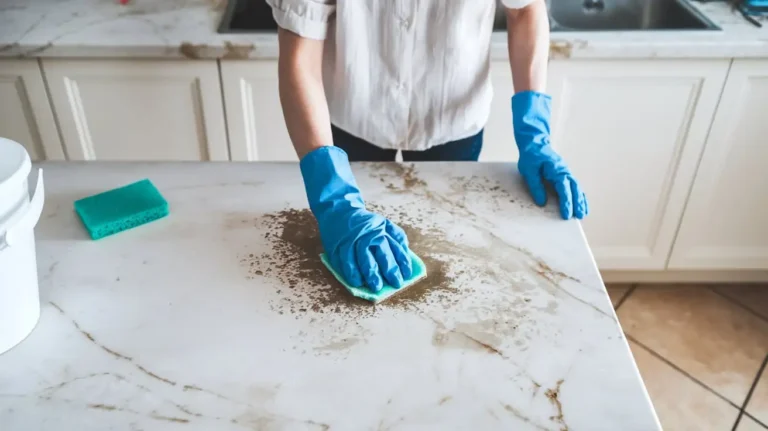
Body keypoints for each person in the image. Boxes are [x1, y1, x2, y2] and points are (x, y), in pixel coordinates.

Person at [267, 0, 588, 294]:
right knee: (353, 266)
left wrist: (535, 133)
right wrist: (334, 198)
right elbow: (300, 52)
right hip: (350, 115)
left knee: (450, 261)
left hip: (454, 118)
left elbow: (524, 8)